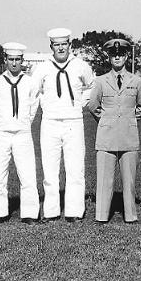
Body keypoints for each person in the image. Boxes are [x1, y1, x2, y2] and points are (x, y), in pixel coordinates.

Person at [31, 28, 94, 222]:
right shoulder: (42, 68)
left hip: (73, 122)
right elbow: (34, 91)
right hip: (50, 122)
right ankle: (51, 210)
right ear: (51, 47)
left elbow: (91, 87)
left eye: (64, 44)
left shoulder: (81, 66)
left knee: (75, 168)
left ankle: (74, 211)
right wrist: (46, 105)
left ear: (70, 45)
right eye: (56, 44)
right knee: (50, 169)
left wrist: (78, 104)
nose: (60, 48)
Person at [88, 39, 141, 224]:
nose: (117, 58)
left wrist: (129, 120)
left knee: (129, 181)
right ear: (109, 57)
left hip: (128, 136)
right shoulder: (100, 81)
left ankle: (131, 215)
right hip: (106, 137)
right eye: (114, 55)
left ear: (126, 56)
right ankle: (101, 216)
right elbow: (93, 105)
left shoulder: (136, 81)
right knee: (104, 180)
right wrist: (107, 120)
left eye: (121, 54)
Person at [0, 42, 40, 225]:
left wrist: (24, 122)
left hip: (23, 133)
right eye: (11, 59)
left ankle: (30, 213)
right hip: (2, 132)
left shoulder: (30, 83)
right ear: (5, 60)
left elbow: (34, 106)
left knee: (27, 173)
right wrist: (4, 122)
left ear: (22, 61)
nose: (15, 63)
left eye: (18, 59)